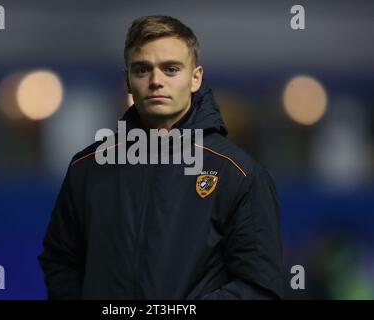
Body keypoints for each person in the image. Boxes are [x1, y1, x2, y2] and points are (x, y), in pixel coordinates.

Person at [38, 15, 284, 299]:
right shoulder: (88, 167)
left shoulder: (237, 174)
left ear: (195, 78)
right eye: (142, 70)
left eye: (170, 69)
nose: (156, 81)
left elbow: (259, 287)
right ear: (127, 81)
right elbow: (60, 261)